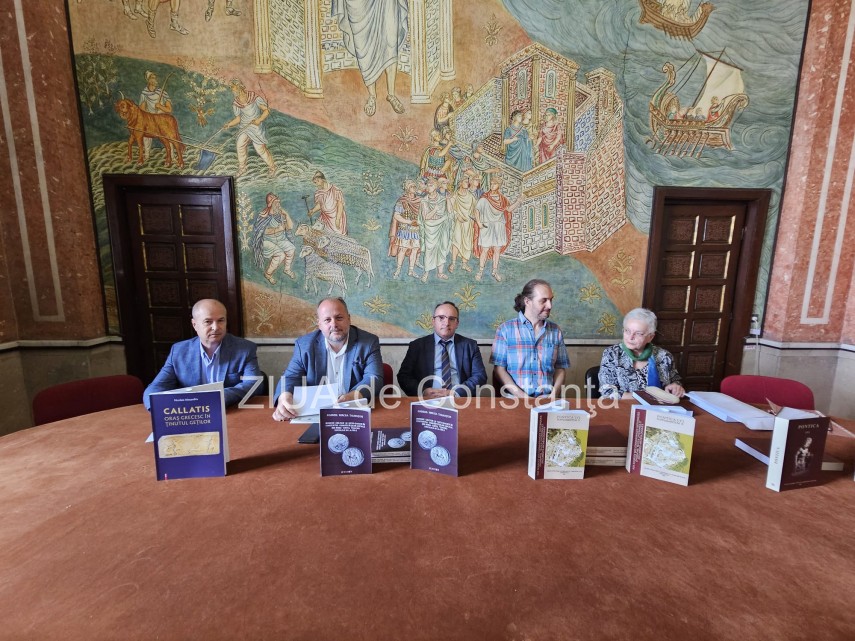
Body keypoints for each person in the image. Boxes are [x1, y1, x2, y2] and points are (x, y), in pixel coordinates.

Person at [272, 297, 383, 421]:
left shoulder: (368, 342)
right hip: (316, 413)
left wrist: (351, 397)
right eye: (327, 320)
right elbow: (290, 377)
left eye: (339, 318)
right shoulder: (304, 345)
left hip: (355, 410)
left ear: (349, 319)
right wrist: (284, 397)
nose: (334, 324)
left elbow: (374, 378)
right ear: (319, 324)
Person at [143, 299, 262, 409]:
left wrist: (217, 398)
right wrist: (156, 409)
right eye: (208, 322)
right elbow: (156, 387)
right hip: (192, 415)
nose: (216, 327)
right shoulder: (179, 351)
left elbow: (253, 384)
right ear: (194, 324)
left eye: (221, 320)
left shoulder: (245, 348)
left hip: (229, 411)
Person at [491, 279, 569, 398]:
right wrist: (524, 397)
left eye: (551, 300)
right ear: (527, 301)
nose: (549, 306)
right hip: (514, 400)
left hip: (547, 400)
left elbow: (560, 368)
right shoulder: (505, 329)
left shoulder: (555, 331)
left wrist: (553, 396)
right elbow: (499, 370)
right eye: (543, 300)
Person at [332, 0, 408, 116]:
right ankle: (372, 95)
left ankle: (391, 94)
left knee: (391, 43)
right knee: (364, 47)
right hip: (361, 5)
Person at [398, 301, 487, 398]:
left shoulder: (470, 346)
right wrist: (423, 391)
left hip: (459, 399)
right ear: (433, 321)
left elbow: (480, 376)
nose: (446, 323)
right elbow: (404, 376)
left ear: (457, 323)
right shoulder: (417, 346)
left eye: (451, 319)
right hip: (427, 399)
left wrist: (456, 393)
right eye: (441, 318)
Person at [598, 307, 685, 400]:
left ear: (650, 337)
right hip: (623, 406)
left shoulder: (664, 356)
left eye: (638, 333)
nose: (630, 337)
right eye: (627, 331)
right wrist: (646, 397)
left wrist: (676, 387)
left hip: (660, 406)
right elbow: (607, 391)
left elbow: (675, 380)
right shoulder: (612, 354)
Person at [223, 78, 276, 178]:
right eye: (231, 88)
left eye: (233, 88)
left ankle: (272, 167)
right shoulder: (236, 103)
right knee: (240, 145)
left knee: (260, 149)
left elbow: (266, 110)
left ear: (239, 87)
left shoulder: (253, 97)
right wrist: (229, 124)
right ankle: (242, 168)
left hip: (256, 127)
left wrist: (259, 120)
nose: (232, 90)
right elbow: (238, 119)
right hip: (245, 127)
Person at [473, 174, 521, 282]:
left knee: (497, 250)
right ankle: (480, 271)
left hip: (499, 226)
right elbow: (476, 210)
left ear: (499, 185)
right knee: (485, 250)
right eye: (491, 183)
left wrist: (518, 201)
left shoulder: (502, 199)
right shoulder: (485, 198)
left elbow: (509, 209)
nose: (492, 185)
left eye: (494, 183)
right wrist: (479, 223)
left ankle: (495, 271)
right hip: (487, 226)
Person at [252, 193, 296, 285]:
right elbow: (262, 231)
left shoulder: (280, 214)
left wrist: (286, 214)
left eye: (279, 202)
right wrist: (277, 229)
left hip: (280, 239)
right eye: (276, 202)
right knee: (280, 255)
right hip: (266, 240)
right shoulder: (263, 215)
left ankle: (287, 269)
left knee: (291, 249)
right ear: (271, 204)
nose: (278, 204)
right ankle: (268, 274)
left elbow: (290, 227)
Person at [418, 178, 452, 282]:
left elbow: (450, 212)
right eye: (427, 185)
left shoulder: (442, 199)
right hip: (430, 228)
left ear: (436, 186)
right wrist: (435, 210)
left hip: (442, 227)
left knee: (441, 249)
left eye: (431, 185)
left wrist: (448, 200)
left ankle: (440, 273)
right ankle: (426, 273)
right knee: (430, 250)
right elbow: (426, 217)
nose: (428, 187)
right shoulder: (424, 201)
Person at [388, 179, 421, 280]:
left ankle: (411, 270)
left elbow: (423, 214)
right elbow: (396, 215)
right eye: (411, 186)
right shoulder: (402, 201)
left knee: (414, 250)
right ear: (407, 188)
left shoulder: (419, 201)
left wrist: (419, 221)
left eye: (414, 186)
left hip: (415, 230)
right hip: (404, 230)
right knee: (402, 249)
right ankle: (398, 269)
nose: (414, 188)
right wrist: (409, 222)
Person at [138, 71, 172, 162]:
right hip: (150, 119)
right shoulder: (144, 94)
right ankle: (146, 156)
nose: (155, 80)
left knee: (168, 137)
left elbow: (169, 110)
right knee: (146, 134)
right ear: (148, 80)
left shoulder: (162, 92)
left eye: (155, 78)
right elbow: (142, 110)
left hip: (161, 119)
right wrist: (150, 117)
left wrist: (160, 106)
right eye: (153, 78)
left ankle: (172, 156)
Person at [447, 175, 476, 273]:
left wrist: (475, 218)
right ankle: (453, 263)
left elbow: (476, 209)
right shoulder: (455, 195)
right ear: (460, 183)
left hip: (468, 224)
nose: (468, 183)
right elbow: (450, 209)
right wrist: (457, 215)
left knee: (467, 244)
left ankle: (464, 264)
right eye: (466, 181)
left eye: (468, 182)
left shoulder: (471, 196)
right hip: (458, 223)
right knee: (456, 241)